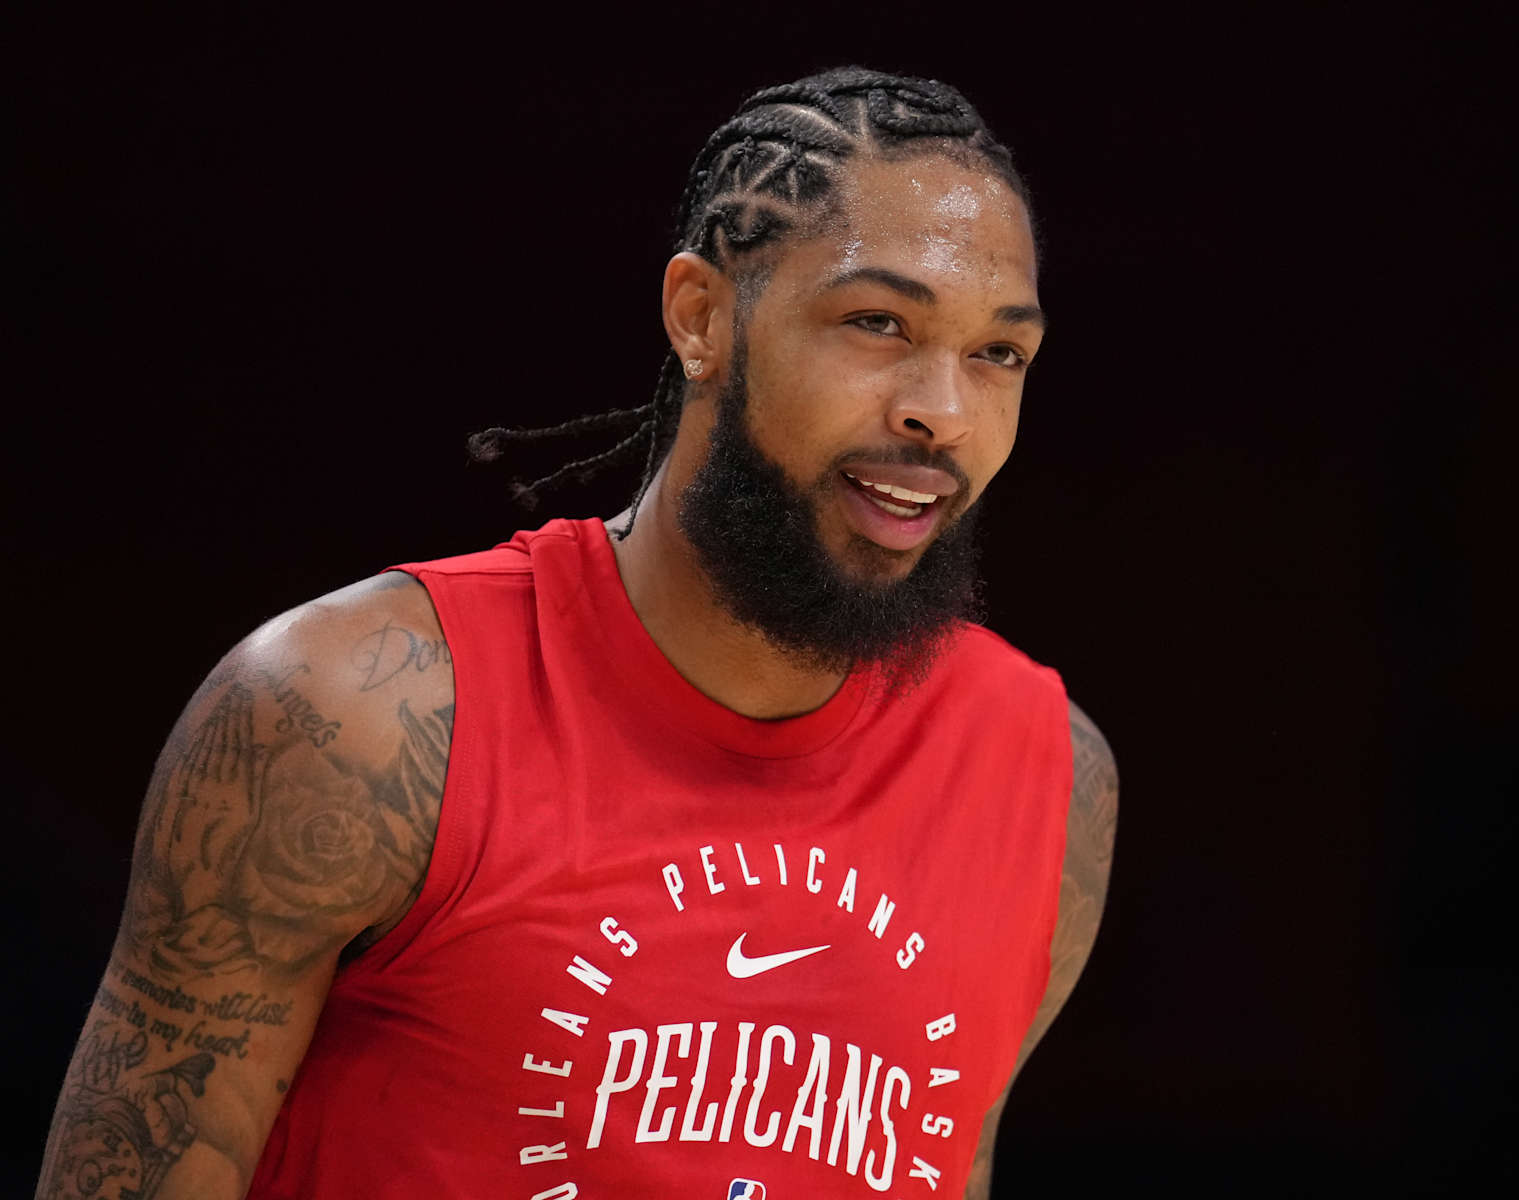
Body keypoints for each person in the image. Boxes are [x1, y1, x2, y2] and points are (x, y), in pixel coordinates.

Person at [37, 66, 1117, 1199]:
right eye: (877, 323)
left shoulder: (1048, 781)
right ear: (702, 317)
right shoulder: (353, 716)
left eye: (999, 354)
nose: (943, 412)